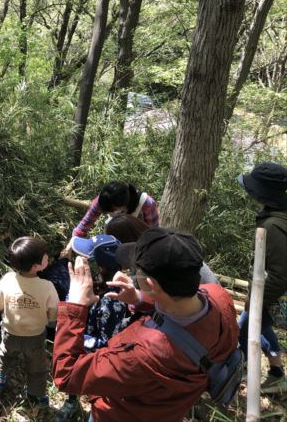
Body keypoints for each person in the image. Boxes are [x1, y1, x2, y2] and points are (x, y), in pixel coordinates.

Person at [52, 228, 238, 422]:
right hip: (167, 410)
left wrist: (75, 306)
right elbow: (180, 313)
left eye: (136, 270)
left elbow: (66, 375)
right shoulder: (219, 296)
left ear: (151, 283)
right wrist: (139, 298)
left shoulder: (142, 354)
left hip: (119, 415)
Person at [56, 235, 130, 422]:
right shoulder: (103, 286)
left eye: (87, 259)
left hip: (93, 359)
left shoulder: (112, 301)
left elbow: (108, 343)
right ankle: (73, 401)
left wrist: (81, 336)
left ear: (101, 267)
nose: (82, 261)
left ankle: (90, 407)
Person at [237, 162, 287, 394]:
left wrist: (255, 300)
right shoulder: (276, 215)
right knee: (261, 328)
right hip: (269, 293)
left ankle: (235, 376)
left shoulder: (275, 225)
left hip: (273, 294)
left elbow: (279, 276)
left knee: (242, 330)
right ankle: (277, 372)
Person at [0, 236, 59, 406]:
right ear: (36, 266)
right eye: (45, 255)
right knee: (37, 368)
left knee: (4, 356)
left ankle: (0, 381)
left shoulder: (7, 279)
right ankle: (37, 396)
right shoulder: (47, 287)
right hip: (35, 336)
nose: (47, 256)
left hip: (10, 333)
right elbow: (54, 314)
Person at [72, 181, 159, 239]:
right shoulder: (104, 200)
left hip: (139, 245)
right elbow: (82, 227)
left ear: (124, 207)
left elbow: (153, 236)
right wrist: (71, 245)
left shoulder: (147, 204)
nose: (110, 214)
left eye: (113, 212)